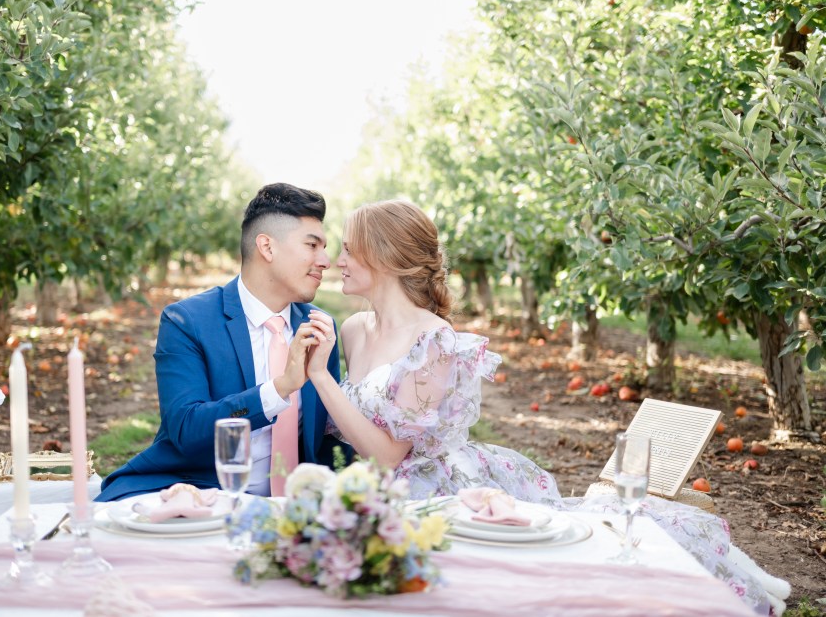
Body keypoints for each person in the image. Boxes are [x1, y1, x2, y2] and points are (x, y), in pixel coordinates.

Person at [293, 199, 785, 616]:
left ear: (383, 256)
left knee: (570, 564)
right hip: (373, 486)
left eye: (348, 248)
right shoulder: (353, 330)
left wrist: (320, 376)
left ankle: (724, 571)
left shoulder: (434, 341)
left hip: (433, 486)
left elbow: (388, 454)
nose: (337, 260)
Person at [96, 183, 351, 502]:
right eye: (312, 245)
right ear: (267, 247)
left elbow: (324, 438)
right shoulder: (187, 321)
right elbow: (187, 429)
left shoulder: (319, 326)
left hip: (294, 507)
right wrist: (280, 388)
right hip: (199, 492)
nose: (326, 260)